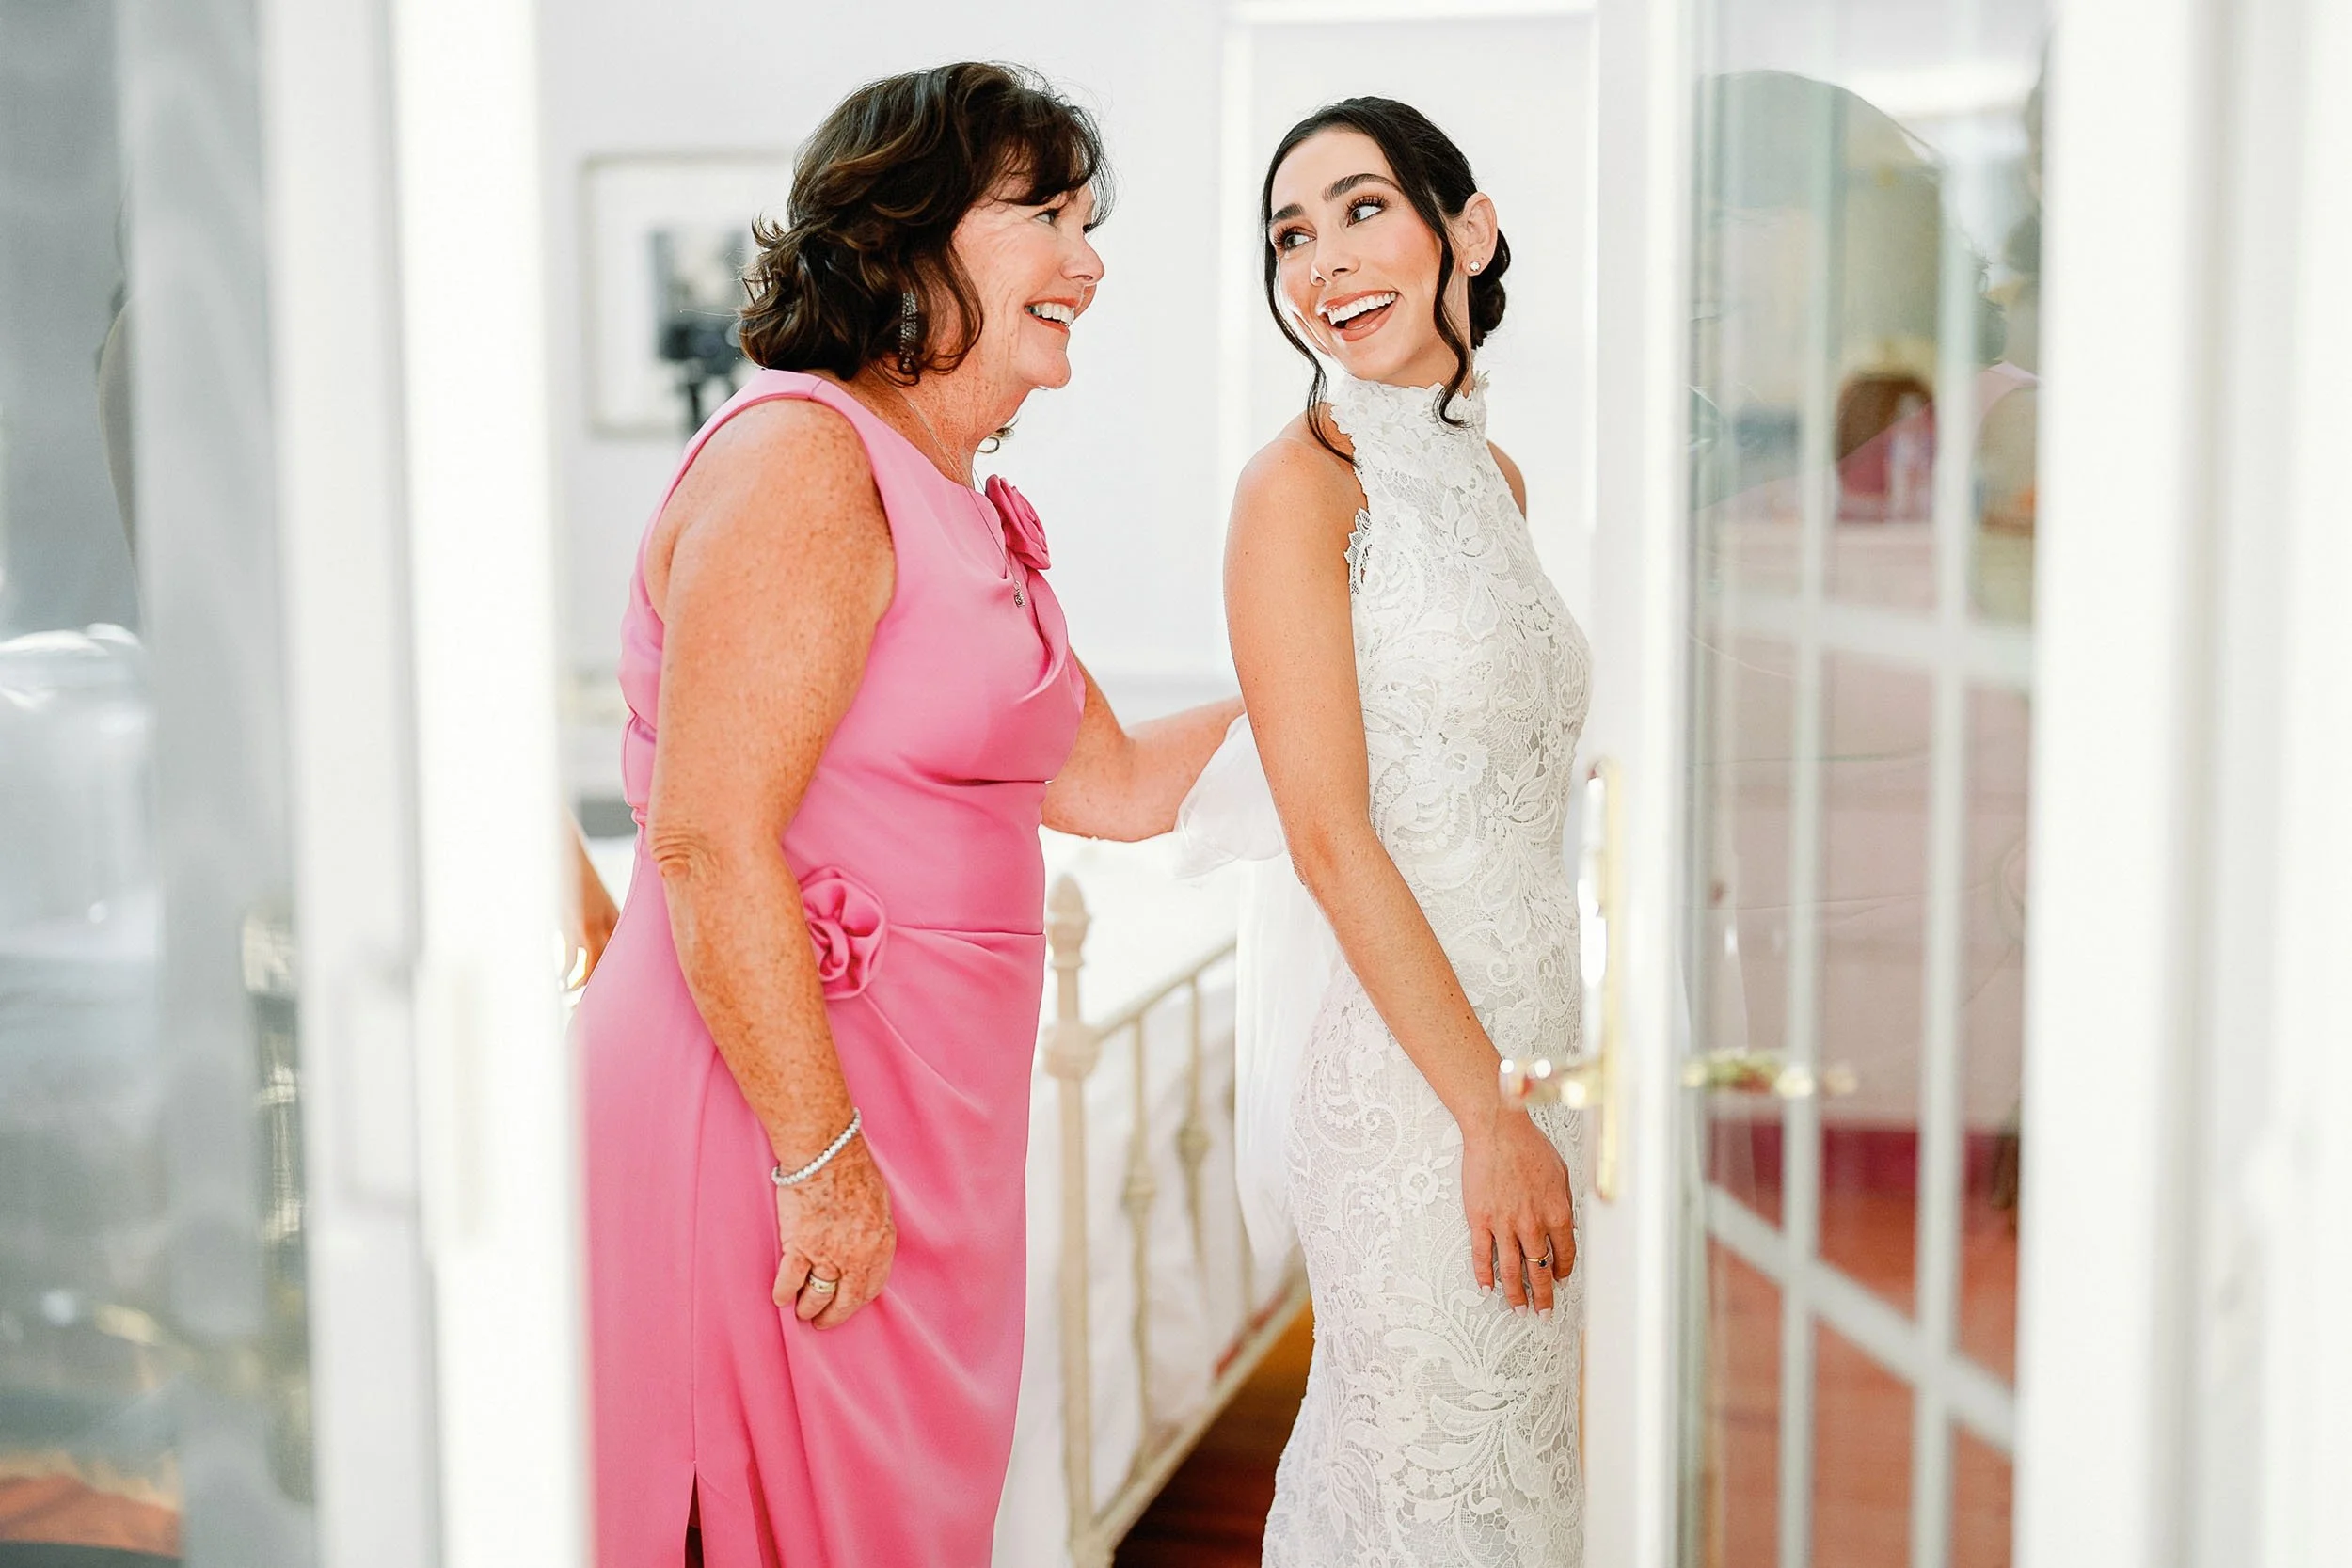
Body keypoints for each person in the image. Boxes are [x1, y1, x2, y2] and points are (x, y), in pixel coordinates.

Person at [571, 63, 1238, 1567]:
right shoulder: (805, 462)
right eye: (1047, 217)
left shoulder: (966, 498)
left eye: (1090, 219)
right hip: (764, 1112)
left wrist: (1356, 705)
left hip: (926, 1118)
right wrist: (819, 1159)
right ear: (907, 233)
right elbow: (705, 839)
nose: (1090, 260)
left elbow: (1114, 786)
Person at [1184, 98, 1590, 1565]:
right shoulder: (1297, 490)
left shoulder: (1498, 479)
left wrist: (1531, 1098)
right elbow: (1330, 834)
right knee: (1431, 1483)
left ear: (1463, 230)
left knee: (1525, 1476)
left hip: (1536, 1050)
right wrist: (1483, 1115)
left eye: (1362, 209)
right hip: (1420, 1093)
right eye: (1292, 233)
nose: (1322, 262)